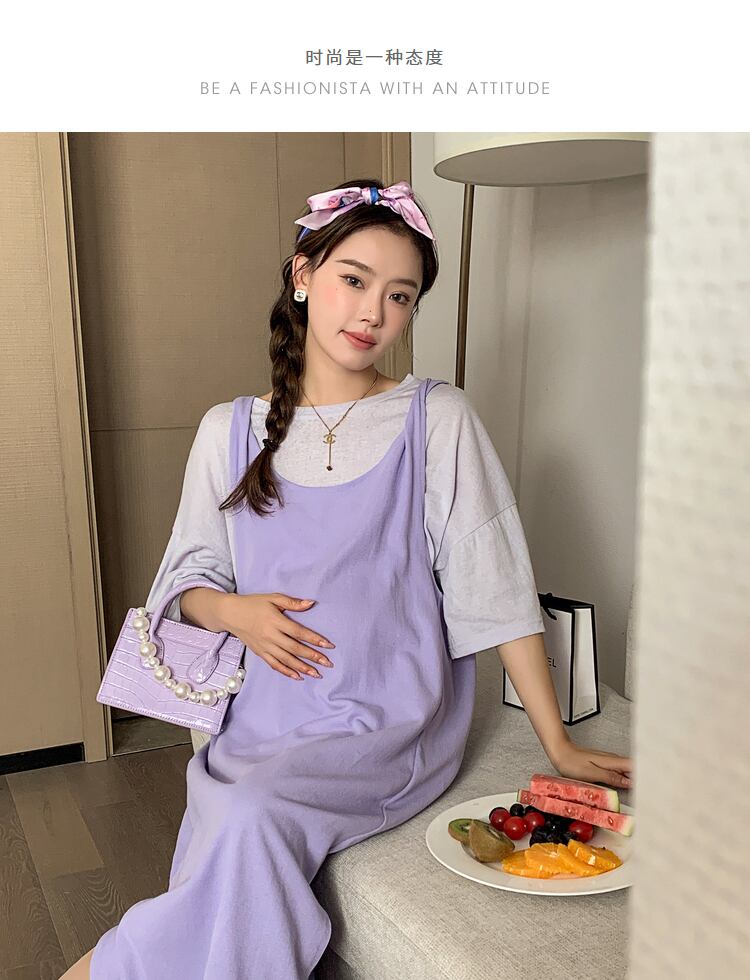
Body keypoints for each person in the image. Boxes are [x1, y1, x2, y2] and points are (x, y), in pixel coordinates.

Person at [64, 178, 632, 980]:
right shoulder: (227, 431)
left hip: (387, 721)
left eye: (400, 296)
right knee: (234, 808)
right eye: (354, 280)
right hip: (262, 717)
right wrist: (235, 612)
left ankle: (108, 967)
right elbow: (185, 582)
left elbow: (496, 585)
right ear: (303, 276)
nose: (373, 313)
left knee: (249, 814)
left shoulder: (437, 419)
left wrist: (558, 743)